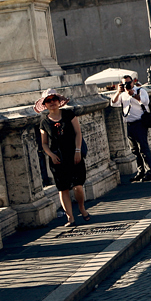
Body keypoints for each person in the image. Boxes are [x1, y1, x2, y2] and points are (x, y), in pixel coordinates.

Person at [36, 89, 90, 227]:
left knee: (78, 186)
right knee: (63, 188)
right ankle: (70, 217)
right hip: (57, 158)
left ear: (59, 101)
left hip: (73, 154)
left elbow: (78, 133)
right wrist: (51, 155)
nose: (52, 102)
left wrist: (78, 150)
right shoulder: (44, 122)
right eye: (48, 101)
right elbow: (44, 143)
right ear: (45, 105)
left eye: (54, 99)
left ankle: (82, 208)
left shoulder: (68, 114)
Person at [110, 75, 151, 182]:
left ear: (133, 82)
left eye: (128, 82)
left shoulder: (140, 90)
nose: (127, 85)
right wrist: (118, 92)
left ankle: (149, 173)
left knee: (143, 149)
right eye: (124, 83)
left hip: (140, 123)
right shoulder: (122, 94)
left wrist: (134, 95)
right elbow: (113, 103)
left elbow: (145, 102)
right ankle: (140, 172)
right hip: (129, 124)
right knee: (134, 150)